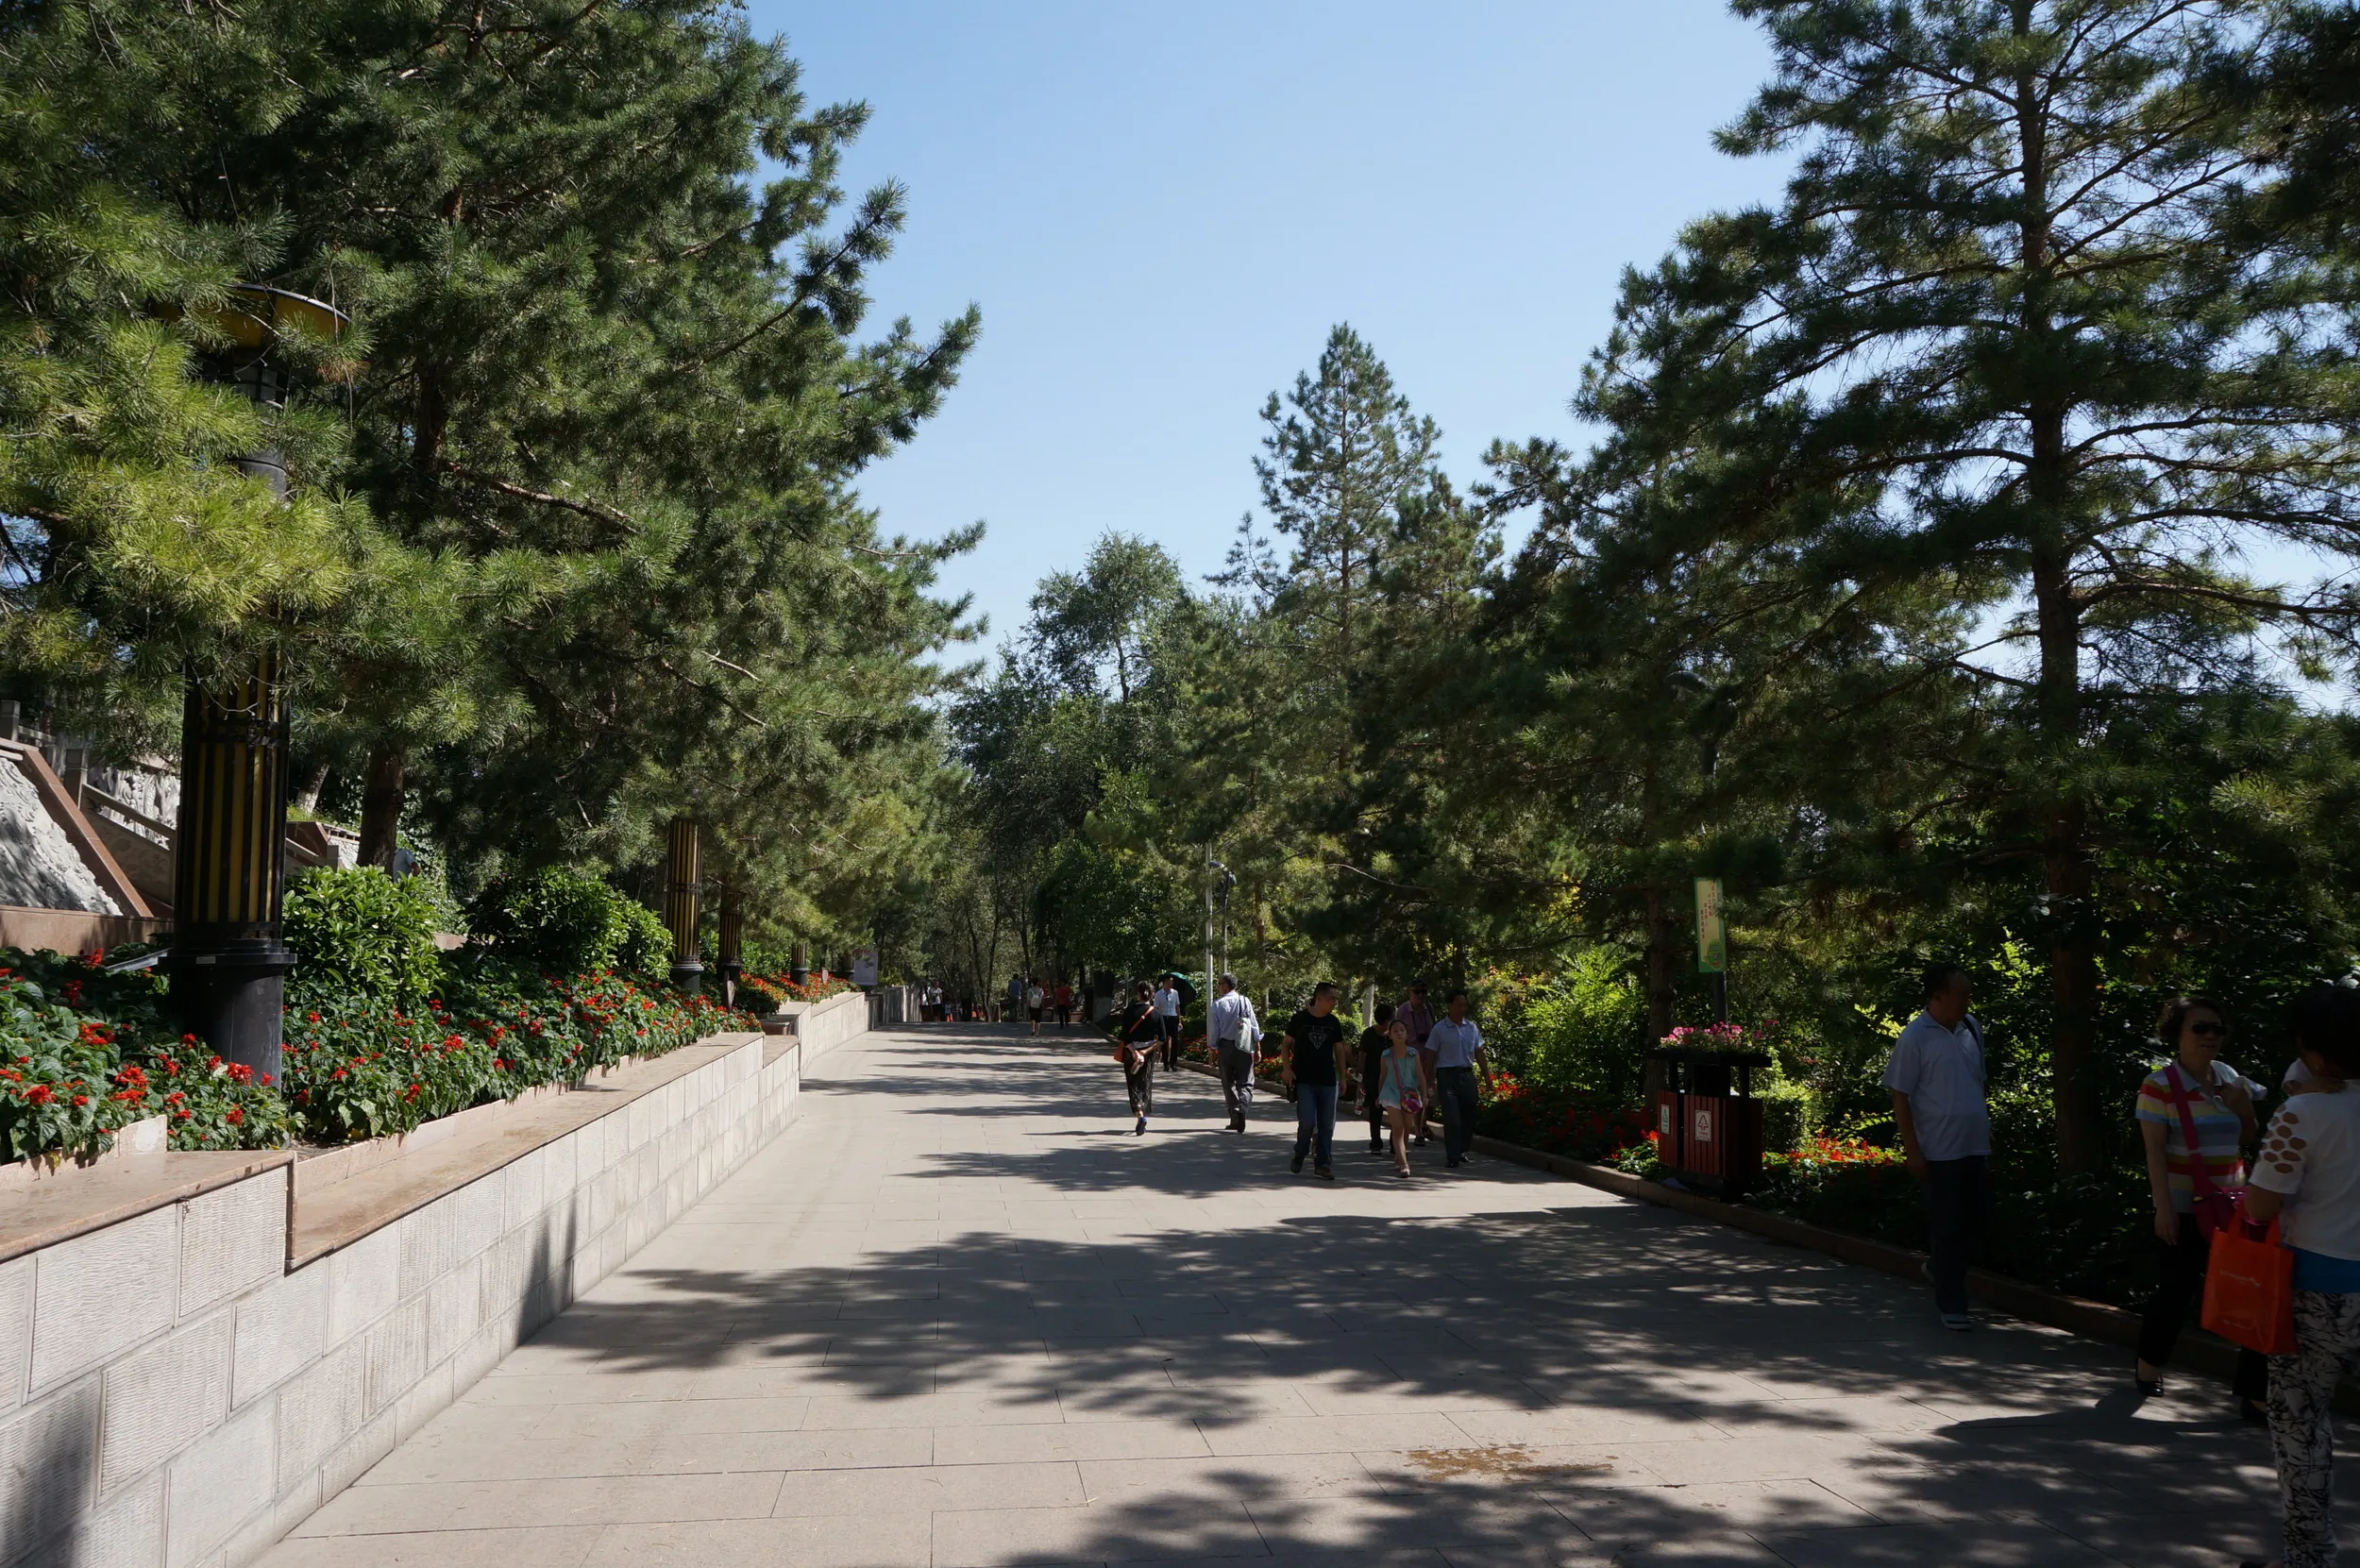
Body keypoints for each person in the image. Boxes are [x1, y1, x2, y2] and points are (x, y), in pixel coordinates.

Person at [2239, 984, 2360, 1568]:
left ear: (2312, 1053)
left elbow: (2260, 1206)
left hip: (2317, 1293)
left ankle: (2310, 1556)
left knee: (2301, 1420)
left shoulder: (2300, 1114)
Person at [2132, 995, 2266, 1419]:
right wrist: (2163, 1210)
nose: (2211, 1037)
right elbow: (2153, 1152)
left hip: (2234, 1207)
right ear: (2178, 1034)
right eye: (2200, 1028)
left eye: (2217, 1029)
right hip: (2184, 1208)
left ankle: (2253, 1394)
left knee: (2251, 1295)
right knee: (2176, 1291)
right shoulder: (2159, 1085)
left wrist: (2244, 1108)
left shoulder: (2230, 1079)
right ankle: (2149, 1365)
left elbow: (2248, 1137)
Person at [1882, 963, 1988, 1331]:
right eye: (1962, 993)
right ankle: (1952, 1301)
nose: (1967, 999)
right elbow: (1901, 1095)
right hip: (1940, 1149)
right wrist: (1913, 1149)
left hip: (1975, 1143)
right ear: (1938, 995)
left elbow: (1976, 1082)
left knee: (1974, 1223)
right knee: (1948, 1225)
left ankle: (1938, 1268)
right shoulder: (1915, 1037)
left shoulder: (1971, 1028)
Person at [1280, 983, 1352, 1180]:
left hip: (1328, 1080)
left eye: (1336, 999)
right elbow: (1286, 1045)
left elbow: (1339, 1049)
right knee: (1307, 1122)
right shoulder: (1299, 1019)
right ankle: (1300, 1152)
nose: (1334, 1003)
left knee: (1327, 1125)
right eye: (1331, 998)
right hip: (1304, 1081)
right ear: (1318, 998)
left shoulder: (1333, 1022)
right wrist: (1287, 1068)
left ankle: (1323, 1164)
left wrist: (1343, 1077)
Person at [1427, 988, 1487, 1169]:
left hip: (1467, 1075)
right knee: (1452, 1117)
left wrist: (1486, 1075)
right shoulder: (1439, 1029)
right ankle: (1452, 1156)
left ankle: (1462, 1150)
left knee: (1469, 1113)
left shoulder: (1472, 1028)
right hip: (1446, 1076)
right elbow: (1430, 1055)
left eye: (1465, 1005)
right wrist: (1428, 1079)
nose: (1462, 1008)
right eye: (1459, 1005)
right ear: (1450, 1006)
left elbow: (1479, 1052)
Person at [1373, 1017, 1430, 1178]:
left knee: (1406, 1127)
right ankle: (1404, 1164)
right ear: (1389, 1035)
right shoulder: (1386, 1055)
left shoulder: (1413, 1054)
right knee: (1397, 1127)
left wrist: (1424, 1095)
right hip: (1391, 1093)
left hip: (1409, 1094)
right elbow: (1382, 1076)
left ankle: (1400, 1155)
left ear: (1407, 1034)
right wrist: (1379, 1095)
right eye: (1395, 1031)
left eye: (1402, 1030)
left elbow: (1420, 1075)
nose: (1399, 1033)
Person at [1208, 972, 1260, 1132]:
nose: (1218, 987)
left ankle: (1235, 1114)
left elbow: (1214, 1031)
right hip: (1244, 1046)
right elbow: (1253, 1026)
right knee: (1246, 1082)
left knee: (1228, 1083)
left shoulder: (1217, 1005)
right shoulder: (1245, 1001)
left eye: (1219, 984)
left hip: (1226, 1047)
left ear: (1225, 985)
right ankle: (1242, 1109)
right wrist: (1257, 1047)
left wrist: (1212, 1048)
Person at [1114, 981, 1161, 1136]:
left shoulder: (1129, 1011)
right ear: (1152, 995)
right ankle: (1144, 1114)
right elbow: (1162, 1038)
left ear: (1138, 994)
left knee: (1133, 1084)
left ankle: (1140, 1116)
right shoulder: (1156, 1013)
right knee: (1145, 1084)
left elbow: (1124, 1036)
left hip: (1131, 1052)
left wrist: (1135, 1052)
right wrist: (1145, 1052)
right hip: (1148, 1054)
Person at [1397, 983, 1436, 1145]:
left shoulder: (1430, 1008)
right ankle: (1418, 1132)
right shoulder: (1403, 1011)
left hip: (1429, 1057)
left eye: (1423, 991)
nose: (1420, 995)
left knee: (1430, 1093)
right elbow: (1397, 1034)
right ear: (1409, 992)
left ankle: (1423, 1123)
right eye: (1416, 991)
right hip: (1411, 1058)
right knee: (1414, 1094)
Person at [1358, 1003, 1396, 1155]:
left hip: (1393, 1078)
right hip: (1373, 1077)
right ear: (1387, 1019)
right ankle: (1376, 1142)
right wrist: (1360, 1077)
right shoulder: (1369, 1034)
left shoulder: (1394, 1034)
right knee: (1376, 1110)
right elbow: (1362, 1056)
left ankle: (1395, 1143)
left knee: (1395, 1111)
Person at [1154, 973, 1183, 1069]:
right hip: (1163, 1018)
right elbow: (1156, 1009)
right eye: (1170, 981)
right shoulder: (1158, 994)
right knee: (1164, 1041)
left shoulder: (1175, 993)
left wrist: (1179, 1020)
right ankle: (1165, 1063)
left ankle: (1173, 1063)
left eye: (1172, 981)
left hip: (1173, 1017)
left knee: (1175, 1041)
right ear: (1165, 982)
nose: (1172, 983)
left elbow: (1177, 1007)